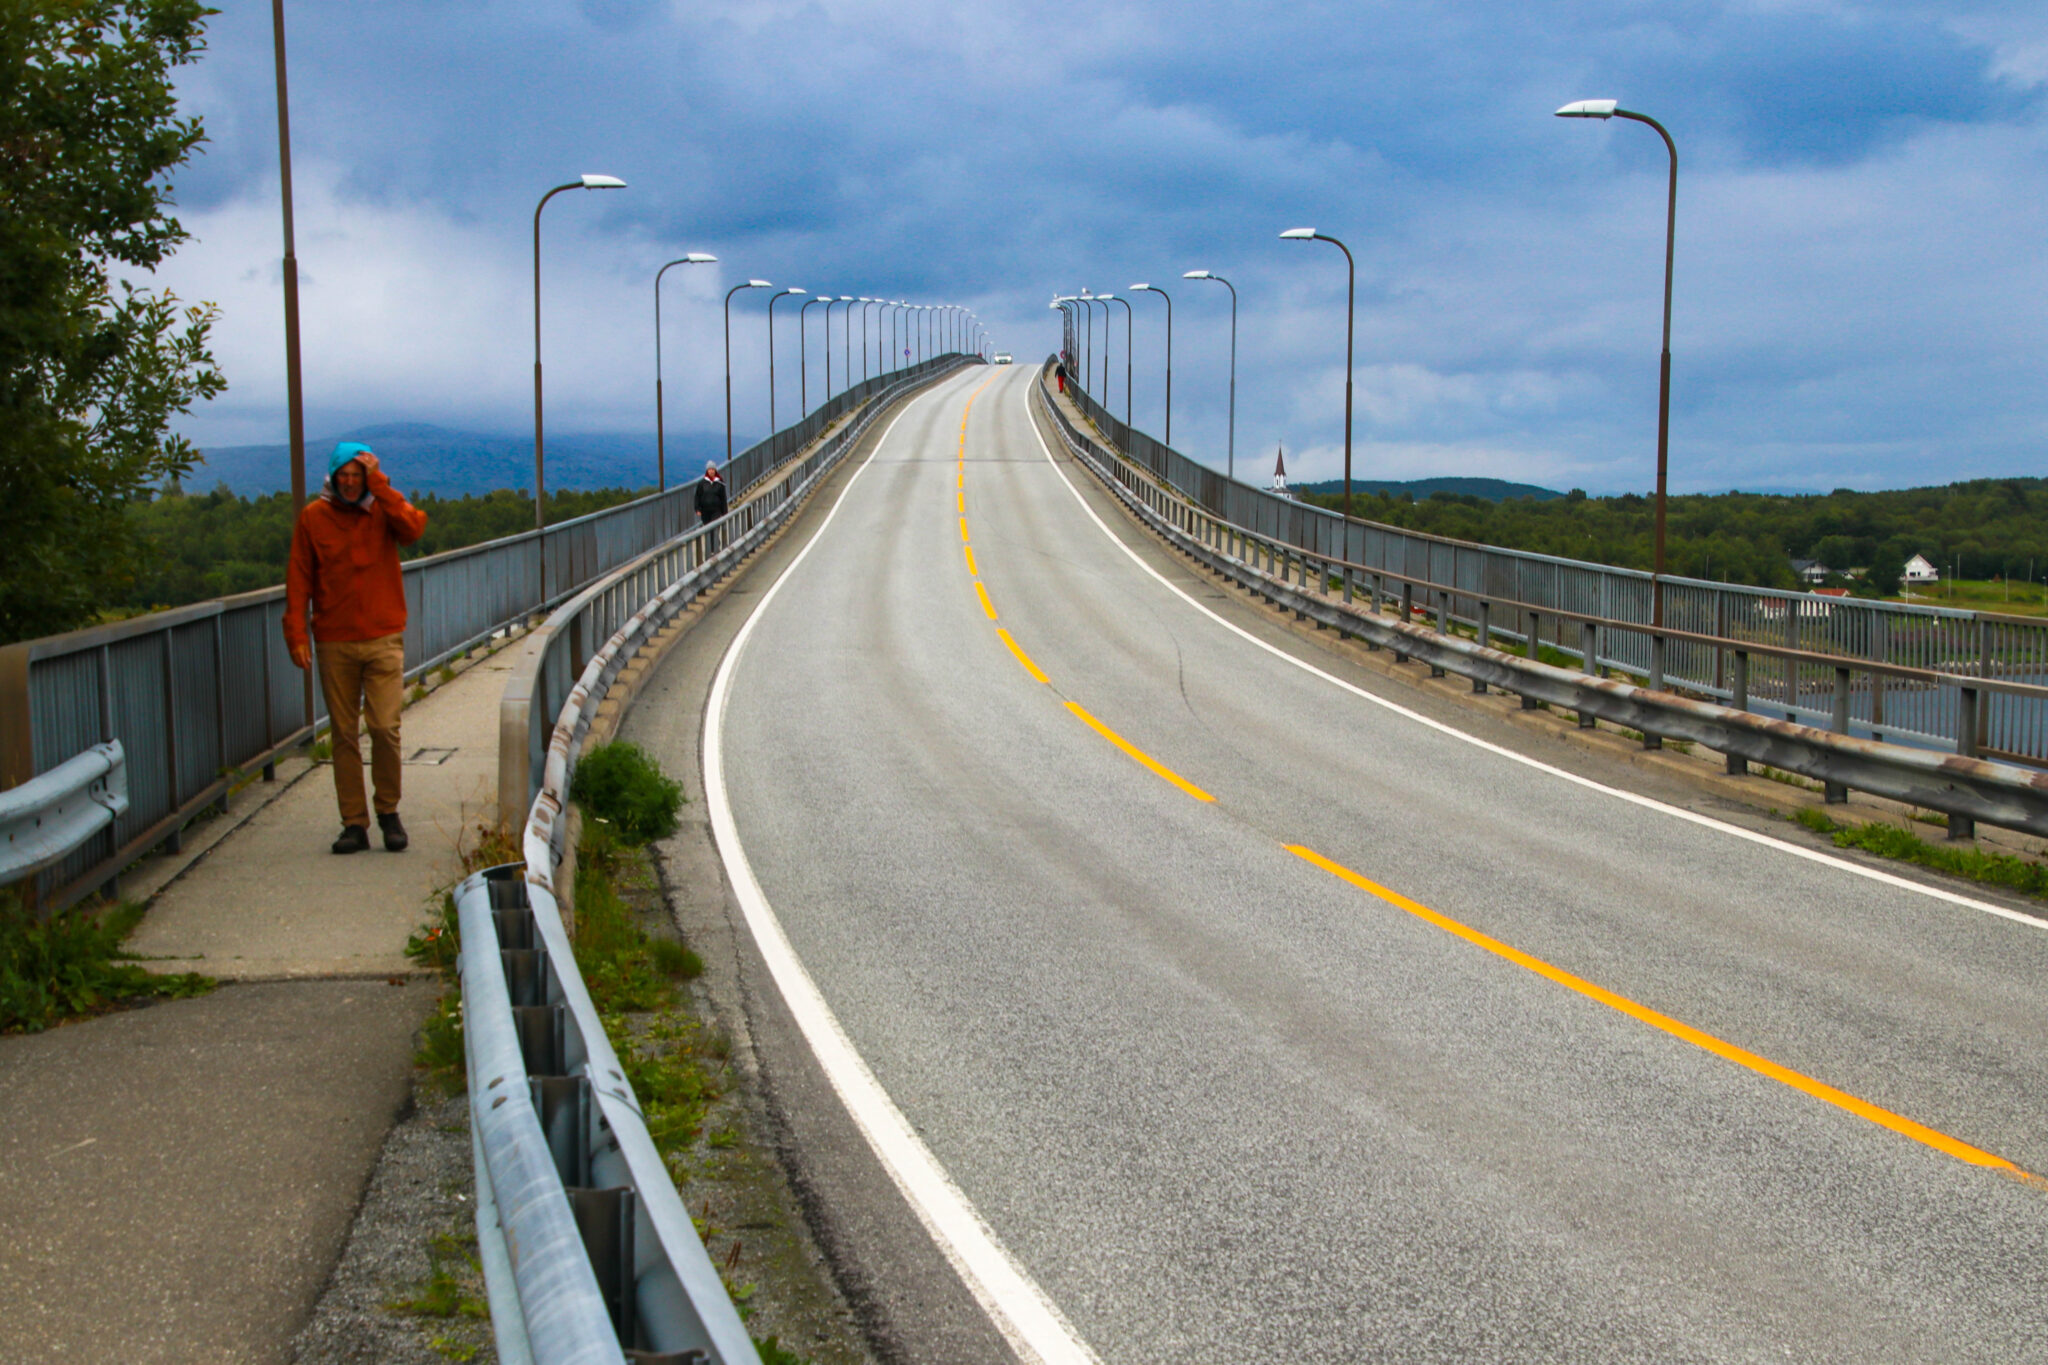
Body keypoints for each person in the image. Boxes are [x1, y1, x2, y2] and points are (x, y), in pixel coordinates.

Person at [284, 442, 429, 854]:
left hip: (383, 635)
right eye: (343, 476)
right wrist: (296, 633)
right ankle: (353, 823)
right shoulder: (314, 517)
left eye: (356, 475)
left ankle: (388, 811)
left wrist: (379, 483)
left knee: (384, 728)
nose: (349, 483)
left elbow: (413, 529)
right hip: (334, 639)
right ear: (333, 477)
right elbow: (299, 576)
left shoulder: (383, 508)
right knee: (344, 734)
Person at [694, 460, 728, 529]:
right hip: (705, 511)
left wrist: (725, 512)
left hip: (716, 510)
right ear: (707, 471)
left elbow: (723, 498)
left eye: (713, 469)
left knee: (714, 527)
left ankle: (714, 536)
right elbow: (697, 496)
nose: (711, 471)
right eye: (710, 469)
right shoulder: (702, 483)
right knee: (707, 529)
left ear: (715, 470)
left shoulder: (719, 483)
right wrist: (697, 509)